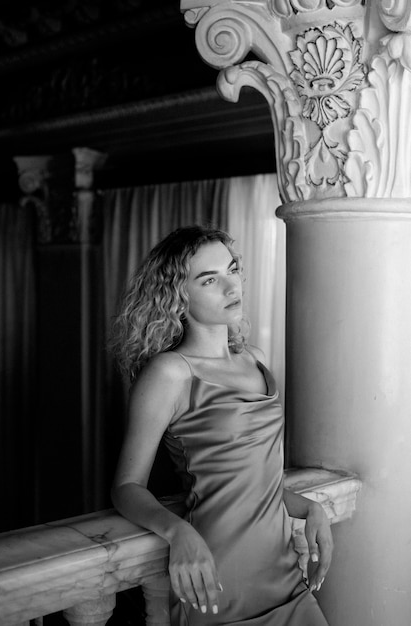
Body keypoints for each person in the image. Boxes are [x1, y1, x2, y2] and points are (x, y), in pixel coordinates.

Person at [110, 224, 333, 625]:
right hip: (217, 579)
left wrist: (309, 507)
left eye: (232, 271)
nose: (232, 288)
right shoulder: (170, 373)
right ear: (179, 296)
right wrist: (178, 533)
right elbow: (126, 487)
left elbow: (252, 477)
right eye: (210, 280)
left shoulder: (254, 360)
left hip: (285, 574)